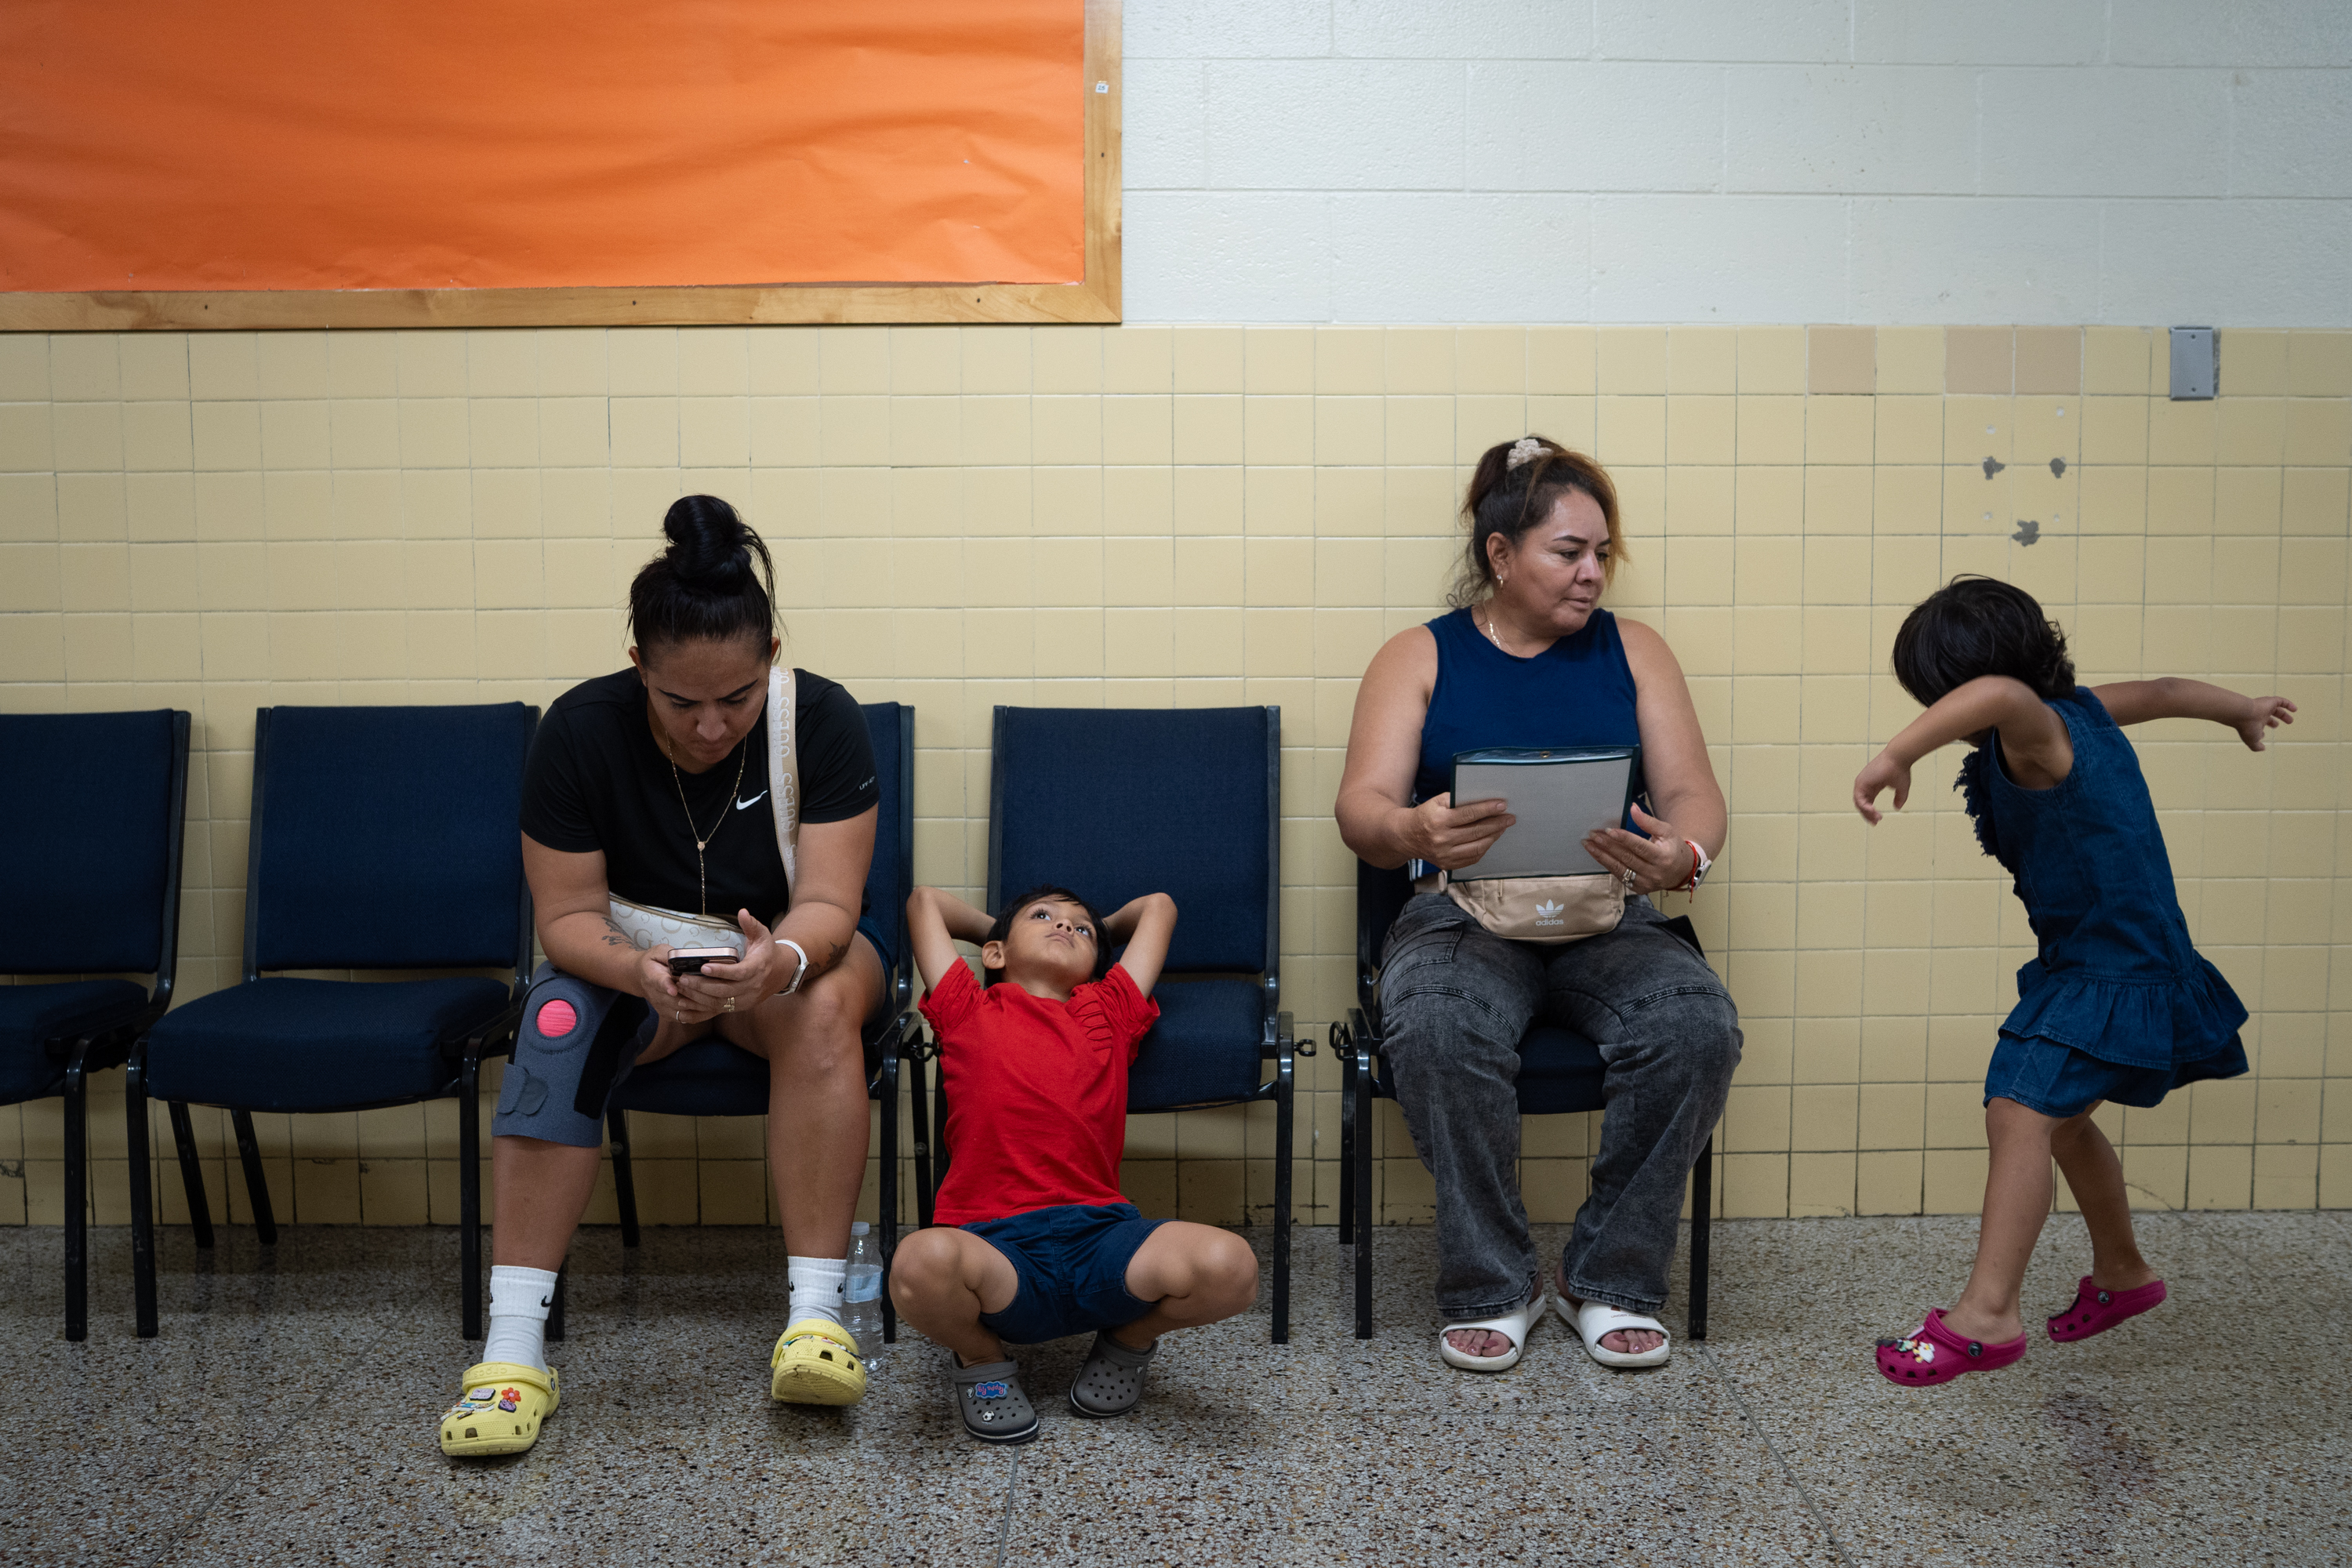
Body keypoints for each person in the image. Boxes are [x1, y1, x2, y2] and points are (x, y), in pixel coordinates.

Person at [439, 495, 890, 1458]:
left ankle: (818, 1318)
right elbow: (564, 918)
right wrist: (640, 973)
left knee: (822, 1010)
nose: (712, 724)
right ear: (639, 664)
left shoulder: (826, 718)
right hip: (638, 964)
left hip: (790, 959)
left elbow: (831, 904)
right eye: (681, 701)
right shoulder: (579, 730)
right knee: (554, 1019)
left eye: (737, 696)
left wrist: (774, 963)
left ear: (772, 652)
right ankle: (514, 1351)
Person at [1334, 435, 1740, 1374]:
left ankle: (1610, 1277)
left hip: (1609, 910)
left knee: (1696, 1026)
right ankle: (1494, 1284)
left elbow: (1695, 797)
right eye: (1570, 552)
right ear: (1501, 553)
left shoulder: (1636, 650)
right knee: (1434, 1028)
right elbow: (1361, 810)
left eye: (1603, 553)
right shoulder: (1418, 655)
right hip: (1462, 911)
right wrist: (1412, 831)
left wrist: (1683, 851)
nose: (1593, 572)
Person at [1853, 575, 2292, 1387]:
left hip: (2111, 970)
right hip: (2115, 959)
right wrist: (2238, 707)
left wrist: (1896, 752)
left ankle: (1986, 1314)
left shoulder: (2031, 730)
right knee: (2060, 1120)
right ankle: (2123, 1270)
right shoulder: (2078, 710)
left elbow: (1996, 691)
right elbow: (2162, 690)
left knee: (2018, 1110)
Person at [888, 884, 1260, 1444]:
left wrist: (1075, 925)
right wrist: (1004, 926)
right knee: (917, 1263)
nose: (1063, 927)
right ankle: (981, 1358)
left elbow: (1159, 905)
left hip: (1101, 1243)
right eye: (1044, 917)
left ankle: (1128, 1341)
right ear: (994, 954)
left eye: (1080, 930)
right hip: (996, 1251)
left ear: (1094, 967)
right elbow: (924, 904)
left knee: (1233, 1267)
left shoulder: (1108, 1010)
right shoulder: (966, 1007)